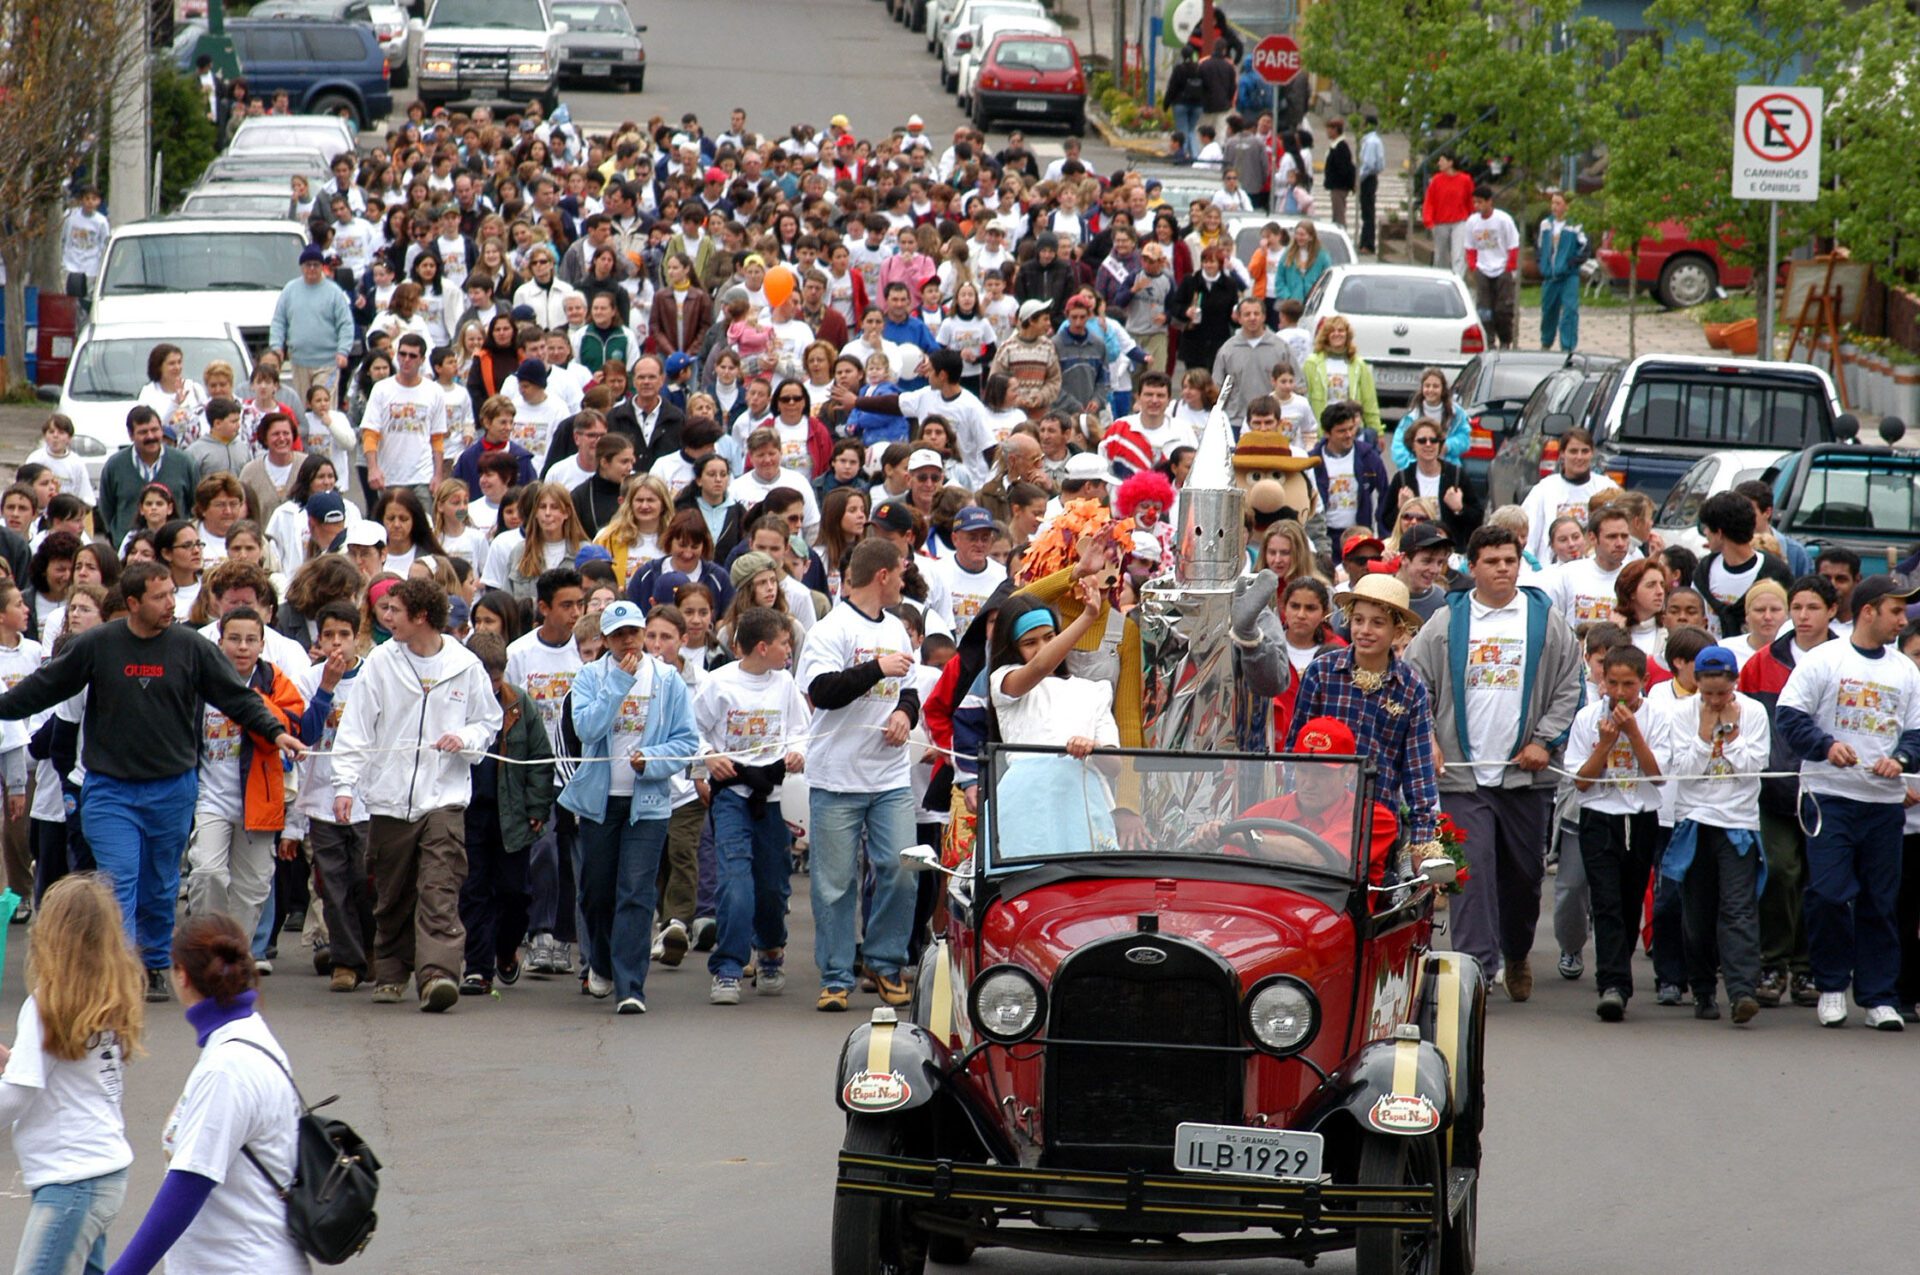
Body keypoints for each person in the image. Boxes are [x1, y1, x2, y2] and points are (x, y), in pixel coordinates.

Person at [0, 563, 306, 1000]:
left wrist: (276, 733)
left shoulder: (190, 647)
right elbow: (44, 687)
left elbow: (235, 697)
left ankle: (155, 961)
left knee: (160, 883)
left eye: (171, 595)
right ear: (132, 604)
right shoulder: (98, 645)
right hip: (110, 789)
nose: (170, 604)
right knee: (119, 878)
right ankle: (123, 970)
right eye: (160, 597)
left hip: (172, 788)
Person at [1406, 524, 1584, 1001]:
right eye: (1492, 561)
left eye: (1510, 559)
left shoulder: (1545, 621)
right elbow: (1414, 683)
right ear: (1471, 566)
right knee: (1472, 873)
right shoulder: (1446, 621)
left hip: (1524, 775)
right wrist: (1429, 740)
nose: (1503, 568)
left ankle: (1517, 951)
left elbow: (1572, 684)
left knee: (1524, 878)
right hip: (1462, 779)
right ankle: (1475, 976)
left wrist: (1546, 741)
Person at [329, 577, 502, 1013]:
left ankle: (438, 975)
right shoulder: (380, 664)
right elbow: (356, 730)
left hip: (443, 797)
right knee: (393, 893)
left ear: (421, 616)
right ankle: (390, 971)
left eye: (395, 611)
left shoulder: (465, 665)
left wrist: (463, 736)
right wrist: (346, 785)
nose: (386, 618)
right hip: (389, 799)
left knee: (440, 887)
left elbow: (488, 721)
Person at [102, 913, 307, 1275]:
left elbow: (190, 1182)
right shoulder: (250, 1034)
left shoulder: (226, 1068)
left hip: (240, 1264)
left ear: (181, 976)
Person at [1776, 575, 1920, 1030]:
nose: (1904, 619)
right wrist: (1825, 746)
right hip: (1829, 797)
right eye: (1896, 611)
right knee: (1830, 895)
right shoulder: (1825, 660)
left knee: (1882, 900)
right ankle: (1832, 986)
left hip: (1883, 804)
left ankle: (1879, 996)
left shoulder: (1905, 670)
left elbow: (1916, 733)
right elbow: (1789, 716)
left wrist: (1901, 759)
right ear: (1868, 612)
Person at [796, 539, 921, 1013]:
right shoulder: (832, 629)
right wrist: (876, 668)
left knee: (899, 870)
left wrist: (905, 715)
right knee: (835, 884)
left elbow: (910, 689)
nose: (905, 580)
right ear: (882, 575)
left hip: (888, 778)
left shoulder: (897, 628)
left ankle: (884, 963)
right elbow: (823, 691)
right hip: (836, 777)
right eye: (901, 571)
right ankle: (834, 975)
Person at [560, 600, 701, 1014]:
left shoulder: (667, 680)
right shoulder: (589, 677)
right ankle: (600, 965)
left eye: (634, 633)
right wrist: (617, 685)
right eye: (618, 635)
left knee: (637, 893)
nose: (628, 642)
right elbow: (585, 728)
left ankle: (631, 985)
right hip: (599, 804)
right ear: (604, 640)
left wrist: (652, 759)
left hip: (649, 803)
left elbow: (686, 742)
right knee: (597, 892)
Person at [0, 875, 142, 1275]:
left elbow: (16, 1096)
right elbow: (69, 1077)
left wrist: (15, 1072)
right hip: (104, 1171)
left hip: (71, 1181)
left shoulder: (45, 1004)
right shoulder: (101, 999)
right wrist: (15, 1060)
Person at [694, 606, 807, 1005]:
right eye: (783, 642)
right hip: (732, 794)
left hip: (773, 797)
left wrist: (796, 752)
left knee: (773, 886)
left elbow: (800, 729)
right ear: (762, 647)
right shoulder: (718, 683)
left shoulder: (785, 684)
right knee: (735, 883)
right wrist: (708, 756)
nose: (788, 648)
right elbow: (694, 730)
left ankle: (771, 951)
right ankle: (727, 967)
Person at [1285, 573, 1441, 858]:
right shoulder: (1321, 673)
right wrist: (1287, 809)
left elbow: (1418, 772)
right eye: (1358, 620)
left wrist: (1422, 839)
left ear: (1398, 631)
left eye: (1377, 622)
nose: (1365, 630)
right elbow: (1294, 751)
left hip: (1376, 821)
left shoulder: (1410, 688)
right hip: (1316, 817)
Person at [1738, 573, 1837, 1009]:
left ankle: (1806, 966)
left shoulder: (1844, 659)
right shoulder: (1762, 662)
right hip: (1775, 790)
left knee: (1818, 880)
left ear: (1832, 611)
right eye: (1796, 607)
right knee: (1781, 871)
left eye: (1812, 607)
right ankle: (1773, 961)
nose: (1802, 616)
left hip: (1828, 790)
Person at [1664, 644, 1771, 1024]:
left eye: (1721, 693)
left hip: (1738, 822)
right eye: (1706, 693)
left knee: (1739, 909)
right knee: (1697, 911)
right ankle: (1704, 990)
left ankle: (1742, 991)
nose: (1713, 700)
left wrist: (1734, 736)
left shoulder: (1754, 712)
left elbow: (1753, 767)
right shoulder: (1682, 713)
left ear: (1734, 685)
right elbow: (1685, 771)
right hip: (1695, 819)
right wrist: (1706, 734)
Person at [1566, 644, 1671, 1020]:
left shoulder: (1658, 718)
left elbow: (1658, 775)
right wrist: (1607, 742)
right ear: (1602, 681)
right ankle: (1612, 984)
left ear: (1644, 681)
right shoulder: (1586, 718)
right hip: (1600, 814)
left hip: (1641, 815)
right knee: (1606, 899)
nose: (1621, 692)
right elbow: (1580, 781)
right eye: (1613, 683)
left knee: (1629, 902)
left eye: (1629, 684)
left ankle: (1617, 971)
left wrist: (1633, 733)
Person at [456, 630, 555, 996]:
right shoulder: (457, 704)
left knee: (516, 892)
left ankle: (506, 948)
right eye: (486, 678)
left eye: (497, 678)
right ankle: (478, 969)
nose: (493, 685)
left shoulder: (519, 705)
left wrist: (538, 807)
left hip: (512, 815)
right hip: (471, 812)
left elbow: (540, 760)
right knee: (474, 890)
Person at [1694, 490, 1793, 639]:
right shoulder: (1704, 571)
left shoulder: (1776, 573)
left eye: (1707, 527)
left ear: (1719, 533)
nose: (1706, 532)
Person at [362, 332, 449, 501]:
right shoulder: (381, 389)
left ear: (422, 360)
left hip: (422, 476)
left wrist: (438, 476)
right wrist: (372, 468)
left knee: (424, 525)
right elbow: (370, 433)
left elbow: (437, 438)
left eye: (412, 356)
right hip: (389, 476)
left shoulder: (434, 391)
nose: (406, 359)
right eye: (402, 354)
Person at [97, 407, 198, 549]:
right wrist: (117, 537)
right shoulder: (115, 465)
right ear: (131, 435)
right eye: (143, 432)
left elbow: (195, 505)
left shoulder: (184, 462)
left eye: (155, 430)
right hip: (129, 552)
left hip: (174, 548)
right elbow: (107, 508)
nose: (151, 436)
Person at [270, 246, 355, 404]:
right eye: (307, 265)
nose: (311, 269)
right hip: (299, 361)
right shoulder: (290, 290)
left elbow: (345, 324)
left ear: (322, 267)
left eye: (316, 265)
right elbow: (279, 321)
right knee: (303, 408)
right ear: (302, 267)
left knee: (323, 406)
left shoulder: (334, 292)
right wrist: (276, 346)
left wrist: (343, 351)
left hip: (327, 363)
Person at [1517, 427, 1616, 564]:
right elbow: (1527, 538)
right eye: (1573, 451)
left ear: (1592, 453)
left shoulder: (1606, 488)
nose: (1579, 457)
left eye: (1585, 451)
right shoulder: (1544, 489)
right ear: (1562, 454)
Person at [1308, 400, 1389, 541]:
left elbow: (1385, 494)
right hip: (1324, 537)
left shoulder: (1368, 456)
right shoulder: (1313, 461)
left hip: (1359, 535)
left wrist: (1383, 533)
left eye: (1351, 428)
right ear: (1327, 433)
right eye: (1341, 431)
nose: (1349, 435)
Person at [1462, 185, 1521, 349]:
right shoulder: (1472, 222)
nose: (1477, 206)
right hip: (1483, 268)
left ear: (1489, 202)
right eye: (1474, 203)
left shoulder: (1503, 220)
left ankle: (1505, 340)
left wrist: (1509, 266)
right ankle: (1488, 339)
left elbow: (1513, 244)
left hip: (1502, 268)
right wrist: (1474, 266)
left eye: (1480, 202)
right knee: (1484, 309)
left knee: (1503, 309)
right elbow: (1470, 247)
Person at [1536, 191, 1587, 352]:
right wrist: (1542, 265)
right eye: (1553, 203)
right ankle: (1546, 342)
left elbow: (1585, 248)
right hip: (1550, 277)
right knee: (1549, 310)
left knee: (1570, 311)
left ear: (1567, 206)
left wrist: (1570, 263)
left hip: (1568, 276)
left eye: (1558, 203)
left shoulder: (1575, 225)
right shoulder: (1546, 224)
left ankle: (1568, 347)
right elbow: (1539, 248)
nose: (1554, 207)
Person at [1421, 152, 1474, 274]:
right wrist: (1428, 221)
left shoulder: (1465, 180)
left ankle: (1457, 280)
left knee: (1459, 254)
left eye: (1442, 160)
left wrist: (1472, 220)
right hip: (1440, 222)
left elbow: (1469, 201)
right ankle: (1441, 278)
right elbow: (1429, 201)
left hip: (1460, 222)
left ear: (1450, 162)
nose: (1439, 163)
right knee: (1441, 256)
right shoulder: (1436, 180)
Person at [1356, 116, 1385, 255]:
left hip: (1368, 179)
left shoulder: (1371, 142)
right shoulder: (1374, 140)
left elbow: (1368, 165)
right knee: (1367, 211)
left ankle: (1367, 244)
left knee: (1367, 212)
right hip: (1370, 178)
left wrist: (1358, 179)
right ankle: (1365, 241)